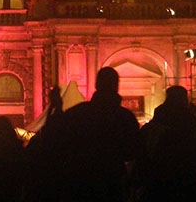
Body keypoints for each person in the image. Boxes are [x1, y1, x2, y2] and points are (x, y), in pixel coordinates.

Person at [54, 66, 143, 202]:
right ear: (116, 86)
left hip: (80, 182)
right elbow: (132, 152)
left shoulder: (77, 113)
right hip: (113, 183)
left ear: (96, 84)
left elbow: (59, 142)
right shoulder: (125, 118)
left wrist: (58, 109)